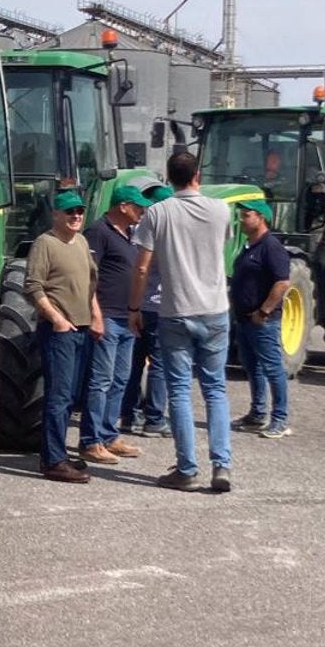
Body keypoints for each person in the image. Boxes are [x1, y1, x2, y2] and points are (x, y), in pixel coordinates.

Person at [130, 152, 233, 493]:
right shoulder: (221, 210)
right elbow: (223, 247)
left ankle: (187, 468)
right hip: (216, 308)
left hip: (176, 311)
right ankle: (222, 465)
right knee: (215, 389)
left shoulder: (157, 213)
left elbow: (143, 266)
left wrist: (134, 307)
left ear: (168, 178)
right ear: (197, 176)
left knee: (179, 390)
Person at [27, 188, 102, 483]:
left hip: (82, 329)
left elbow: (90, 282)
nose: (76, 216)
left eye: (80, 211)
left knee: (70, 396)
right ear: (55, 214)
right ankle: (53, 461)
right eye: (69, 211)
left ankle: (59, 452)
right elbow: (33, 287)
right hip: (59, 331)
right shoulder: (45, 244)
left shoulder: (81, 242)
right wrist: (57, 319)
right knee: (58, 397)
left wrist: (96, 315)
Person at [81, 185, 149, 463]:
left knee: (120, 379)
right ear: (122, 206)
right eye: (138, 206)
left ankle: (109, 435)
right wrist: (95, 314)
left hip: (127, 318)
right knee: (101, 380)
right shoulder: (98, 232)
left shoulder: (131, 235)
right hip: (106, 316)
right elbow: (88, 276)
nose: (142, 212)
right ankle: (91, 440)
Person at [231, 199, 293, 438]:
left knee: (272, 368)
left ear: (261, 217)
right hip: (245, 319)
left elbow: (282, 282)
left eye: (246, 215)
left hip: (263, 321)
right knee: (252, 366)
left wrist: (264, 311)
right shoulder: (249, 246)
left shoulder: (271, 246)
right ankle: (257, 413)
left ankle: (280, 418)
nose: (241, 220)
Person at [120, 181, 172, 436]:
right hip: (158, 304)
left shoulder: (135, 230)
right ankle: (155, 417)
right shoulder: (166, 231)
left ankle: (129, 414)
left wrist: (133, 305)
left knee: (134, 361)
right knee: (159, 363)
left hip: (136, 303)